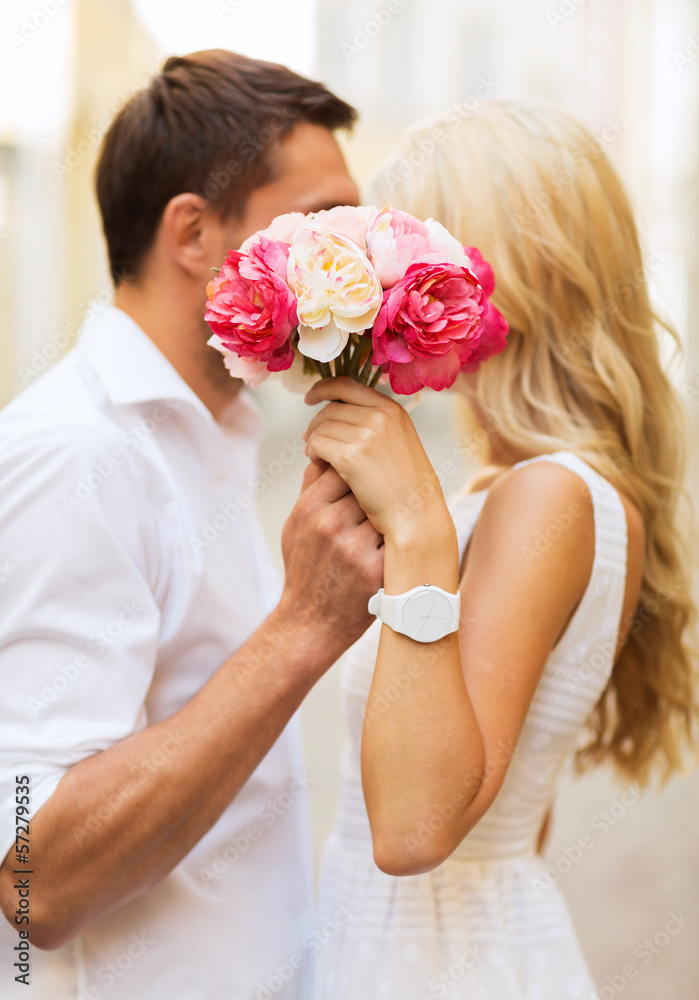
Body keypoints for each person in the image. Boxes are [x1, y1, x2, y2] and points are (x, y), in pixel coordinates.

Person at [0, 50, 384, 1000]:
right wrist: (305, 627)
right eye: (319, 225)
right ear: (194, 234)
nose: (355, 264)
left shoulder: (217, 429)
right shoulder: (78, 454)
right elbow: (29, 873)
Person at [304, 99, 698, 999]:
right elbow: (519, 812)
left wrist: (414, 528)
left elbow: (408, 831)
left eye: (406, 263)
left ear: (510, 279)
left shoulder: (548, 496)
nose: (376, 296)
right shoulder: (523, 491)